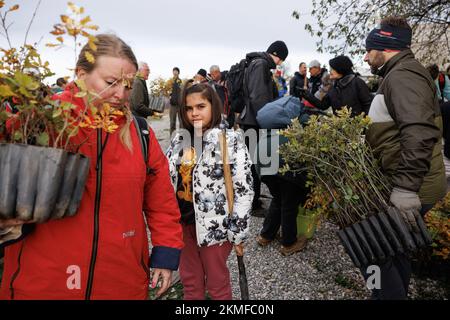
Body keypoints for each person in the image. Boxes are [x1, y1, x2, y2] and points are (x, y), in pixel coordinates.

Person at [0, 34, 184, 300]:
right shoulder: (43, 122)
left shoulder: (139, 134)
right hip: (45, 282)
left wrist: (166, 254)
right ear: (81, 74)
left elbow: (161, 200)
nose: (121, 94)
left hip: (120, 281)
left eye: (128, 86)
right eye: (111, 83)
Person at [363, 17, 446, 300]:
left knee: (374, 249)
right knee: (393, 249)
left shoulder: (403, 77)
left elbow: (419, 132)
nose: (365, 56)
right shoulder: (400, 73)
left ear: (384, 47)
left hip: (413, 186)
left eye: (369, 49)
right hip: (408, 179)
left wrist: (406, 188)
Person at [166, 83, 253, 300]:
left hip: (215, 229)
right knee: (190, 281)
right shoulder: (180, 140)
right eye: (188, 108)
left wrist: (238, 229)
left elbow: (243, 188)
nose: (194, 112)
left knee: (217, 284)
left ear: (213, 106)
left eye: (200, 106)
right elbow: (167, 178)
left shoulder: (230, 140)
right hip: (184, 225)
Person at [238, 40, 289, 216]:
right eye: (280, 59)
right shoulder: (260, 65)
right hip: (255, 121)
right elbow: (258, 96)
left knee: (253, 162)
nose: (279, 64)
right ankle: (253, 203)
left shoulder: (257, 63)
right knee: (254, 163)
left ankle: (253, 199)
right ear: (275, 55)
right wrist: (269, 119)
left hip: (250, 119)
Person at [299, 55, 373, 116]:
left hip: (357, 130)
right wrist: (307, 95)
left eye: (332, 69)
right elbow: (323, 105)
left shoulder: (357, 83)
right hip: (340, 130)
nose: (330, 71)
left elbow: (368, 106)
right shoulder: (334, 87)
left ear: (341, 69)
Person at [169, 67, 183, 136]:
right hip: (172, 105)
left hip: (180, 105)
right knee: (172, 123)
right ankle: (172, 138)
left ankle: (180, 138)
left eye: (176, 71)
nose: (175, 72)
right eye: (174, 71)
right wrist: (169, 96)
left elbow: (182, 91)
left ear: (178, 72)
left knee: (181, 123)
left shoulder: (181, 82)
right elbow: (166, 90)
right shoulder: (170, 81)